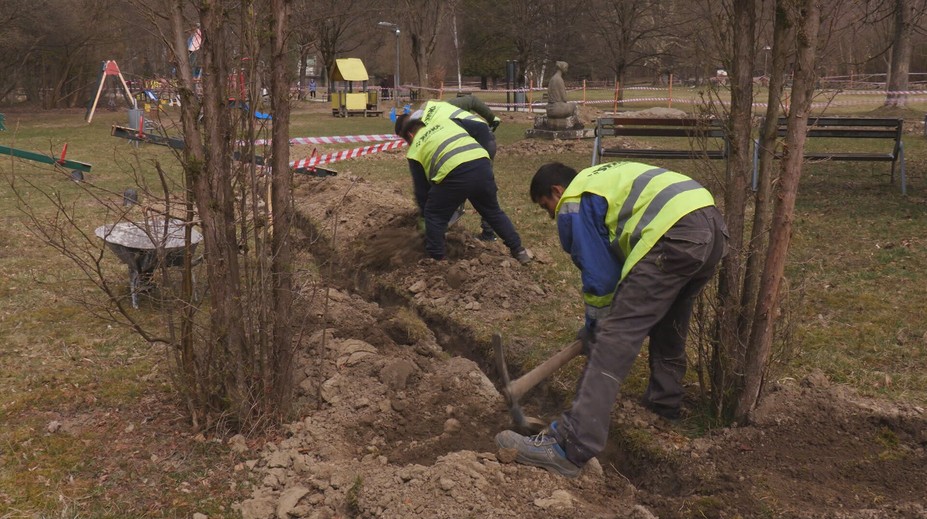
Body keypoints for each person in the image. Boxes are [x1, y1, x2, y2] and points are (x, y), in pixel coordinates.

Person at [496, 160, 728, 478]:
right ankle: (664, 405)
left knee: (614, 338)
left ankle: (568, 446)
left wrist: (597, 327)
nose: (550, 215)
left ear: (557, 191)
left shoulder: (573, 201)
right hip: (710, 225)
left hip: (673, 232)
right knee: (670, 319)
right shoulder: (601, 181)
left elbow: (601, 280)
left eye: (545, 206)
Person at [394, 111, 531, 264]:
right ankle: (519, 250)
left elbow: (422, 191)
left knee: (434, 215)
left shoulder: (414, 149)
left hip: (454, 174)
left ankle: (437, 260)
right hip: (481, 164)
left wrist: (425, 217)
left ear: (410, 135)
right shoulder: (446, 123)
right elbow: (480, 127)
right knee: (492, 211)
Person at [411, 95, 503, 241]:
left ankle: (449, 221)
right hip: (485, 139)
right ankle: (488, 232)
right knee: (484, 185)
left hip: (475, 140)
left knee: (461, 179)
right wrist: (492, 118)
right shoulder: (445, 109)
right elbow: (472, 101)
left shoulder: (434, 119)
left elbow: (472, 100)